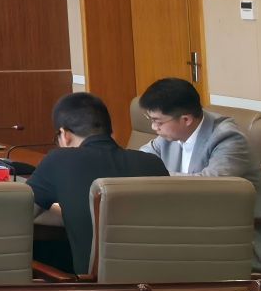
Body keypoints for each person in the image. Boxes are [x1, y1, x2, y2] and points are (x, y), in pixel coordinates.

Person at [138, 77, 261, 272]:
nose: (154, 128)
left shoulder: (227, 138)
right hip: (192, 226)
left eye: (157, 121)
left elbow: (211, 185)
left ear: (186, 119)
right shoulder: (168, 135)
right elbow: (142, 160)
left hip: (242, 236)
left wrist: (157, 174)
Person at [25, 92, 167, 273]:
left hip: (94, 286)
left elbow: (21, 212)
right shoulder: (153, 163)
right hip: (162, 280)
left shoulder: (60, 160)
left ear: (64, 135)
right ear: (111, 131)